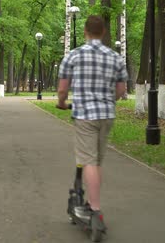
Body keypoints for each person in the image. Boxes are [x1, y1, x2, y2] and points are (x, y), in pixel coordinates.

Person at [56, 15, 128, 227]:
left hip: (85, 115)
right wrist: (107, 101)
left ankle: (94, 209)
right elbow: (121, 90)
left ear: (86, 32)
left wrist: (61, 102)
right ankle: (90, 202)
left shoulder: (74, 56)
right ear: (103, 32)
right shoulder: (115, 58)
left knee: (89, 162)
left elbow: (62, 89)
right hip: (106, 115)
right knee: (96, 162)